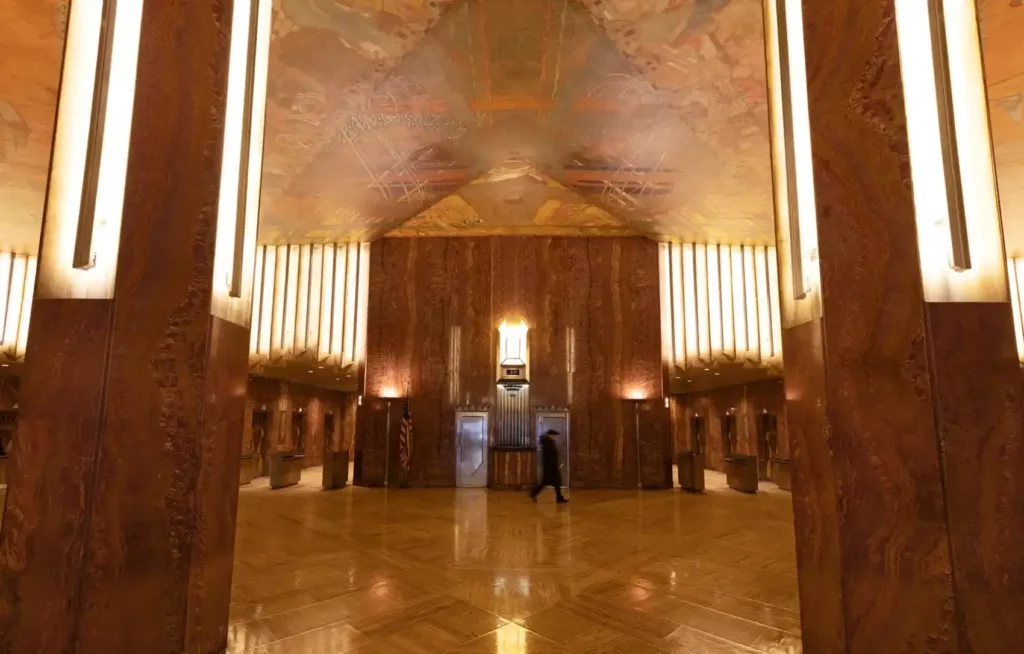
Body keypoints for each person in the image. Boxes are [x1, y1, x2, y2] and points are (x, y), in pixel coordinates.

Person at [531, 429, 568, 504]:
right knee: (544, 483)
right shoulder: (547, 444)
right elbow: (549, 457)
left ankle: (559, 498)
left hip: (552, 467)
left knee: (557, 482)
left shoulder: (549, 443)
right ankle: (533, 493)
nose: (555, 437)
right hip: (550, 468)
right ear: (550, 435)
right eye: (554, 435)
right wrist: (552, 466)